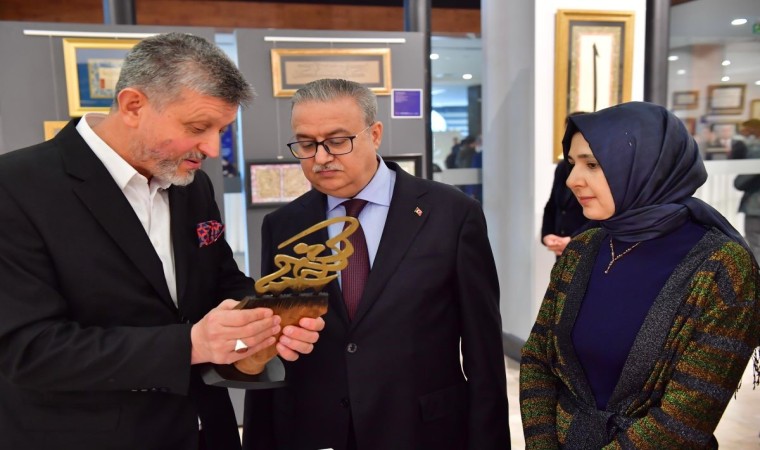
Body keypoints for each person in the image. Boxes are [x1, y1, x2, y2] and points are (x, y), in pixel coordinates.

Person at [0, 32, 324, 450]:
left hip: (209, 431)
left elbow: (220, 281)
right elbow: (27, 349)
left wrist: (266, 323)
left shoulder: (192, 185)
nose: (212, 148)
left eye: (222, 130)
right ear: (133, 106)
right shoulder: (16, 188)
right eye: (198, 128)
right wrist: (190, 345)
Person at [243, 78, 510, 450]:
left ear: (375, 134)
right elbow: (274, 336)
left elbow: (483, 348)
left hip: (421, 429)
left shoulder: (451, 213)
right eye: (306, 144)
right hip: (317, 429)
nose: (321, 158)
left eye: (338, 141)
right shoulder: (285, 226)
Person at [520, 102, 760, 449]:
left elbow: (683, 421)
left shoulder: (722, 267)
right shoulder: (583, 248)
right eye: (572, 163)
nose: (572, 180)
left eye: (592, 164)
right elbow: (538, 358)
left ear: (645, 166)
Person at [540, 158, 588, 257]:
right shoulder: (562, 166)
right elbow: (552, 204)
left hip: (588, 248)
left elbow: (602, 214)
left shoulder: (598, 166)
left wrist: (574, 239)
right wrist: (547, 234)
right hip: (561, 250)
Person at [733, 119, 760, 260]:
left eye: (745, 131)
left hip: (756, 207)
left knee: (756, 245)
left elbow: (740, 183)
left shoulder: (756, 151)